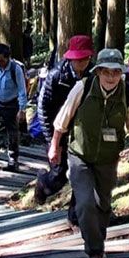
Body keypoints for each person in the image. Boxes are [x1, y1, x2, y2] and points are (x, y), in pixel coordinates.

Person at [49, 47, 129, 258]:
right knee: (84, 203)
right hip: (79, 155)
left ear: (121, 73)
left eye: (115, 72)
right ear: (98, 72)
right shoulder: (82, 88)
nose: (111, 77)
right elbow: (62, 120)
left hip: (107, 159)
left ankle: (99, 248)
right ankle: (94, 253)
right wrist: (54, 146)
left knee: (103, 206)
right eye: (106, 72)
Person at [30, 35, 93, 203]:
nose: (82, 63)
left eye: (85, 59)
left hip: (81, 132)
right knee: (59, 174)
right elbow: (43, 108)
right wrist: (53, 142)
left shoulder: (93, 75)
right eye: (78, 59)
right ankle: (43, 184)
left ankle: (76, 216)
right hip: (56, 129)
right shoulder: (56, 76)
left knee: (82, 173)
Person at [0, 42, 28, 169]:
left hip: (12, 103)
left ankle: (13, 159)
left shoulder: (16, 69)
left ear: (8, 58)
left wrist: (22, 109)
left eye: (1, 60)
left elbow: (22, 90)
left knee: (12, 132)